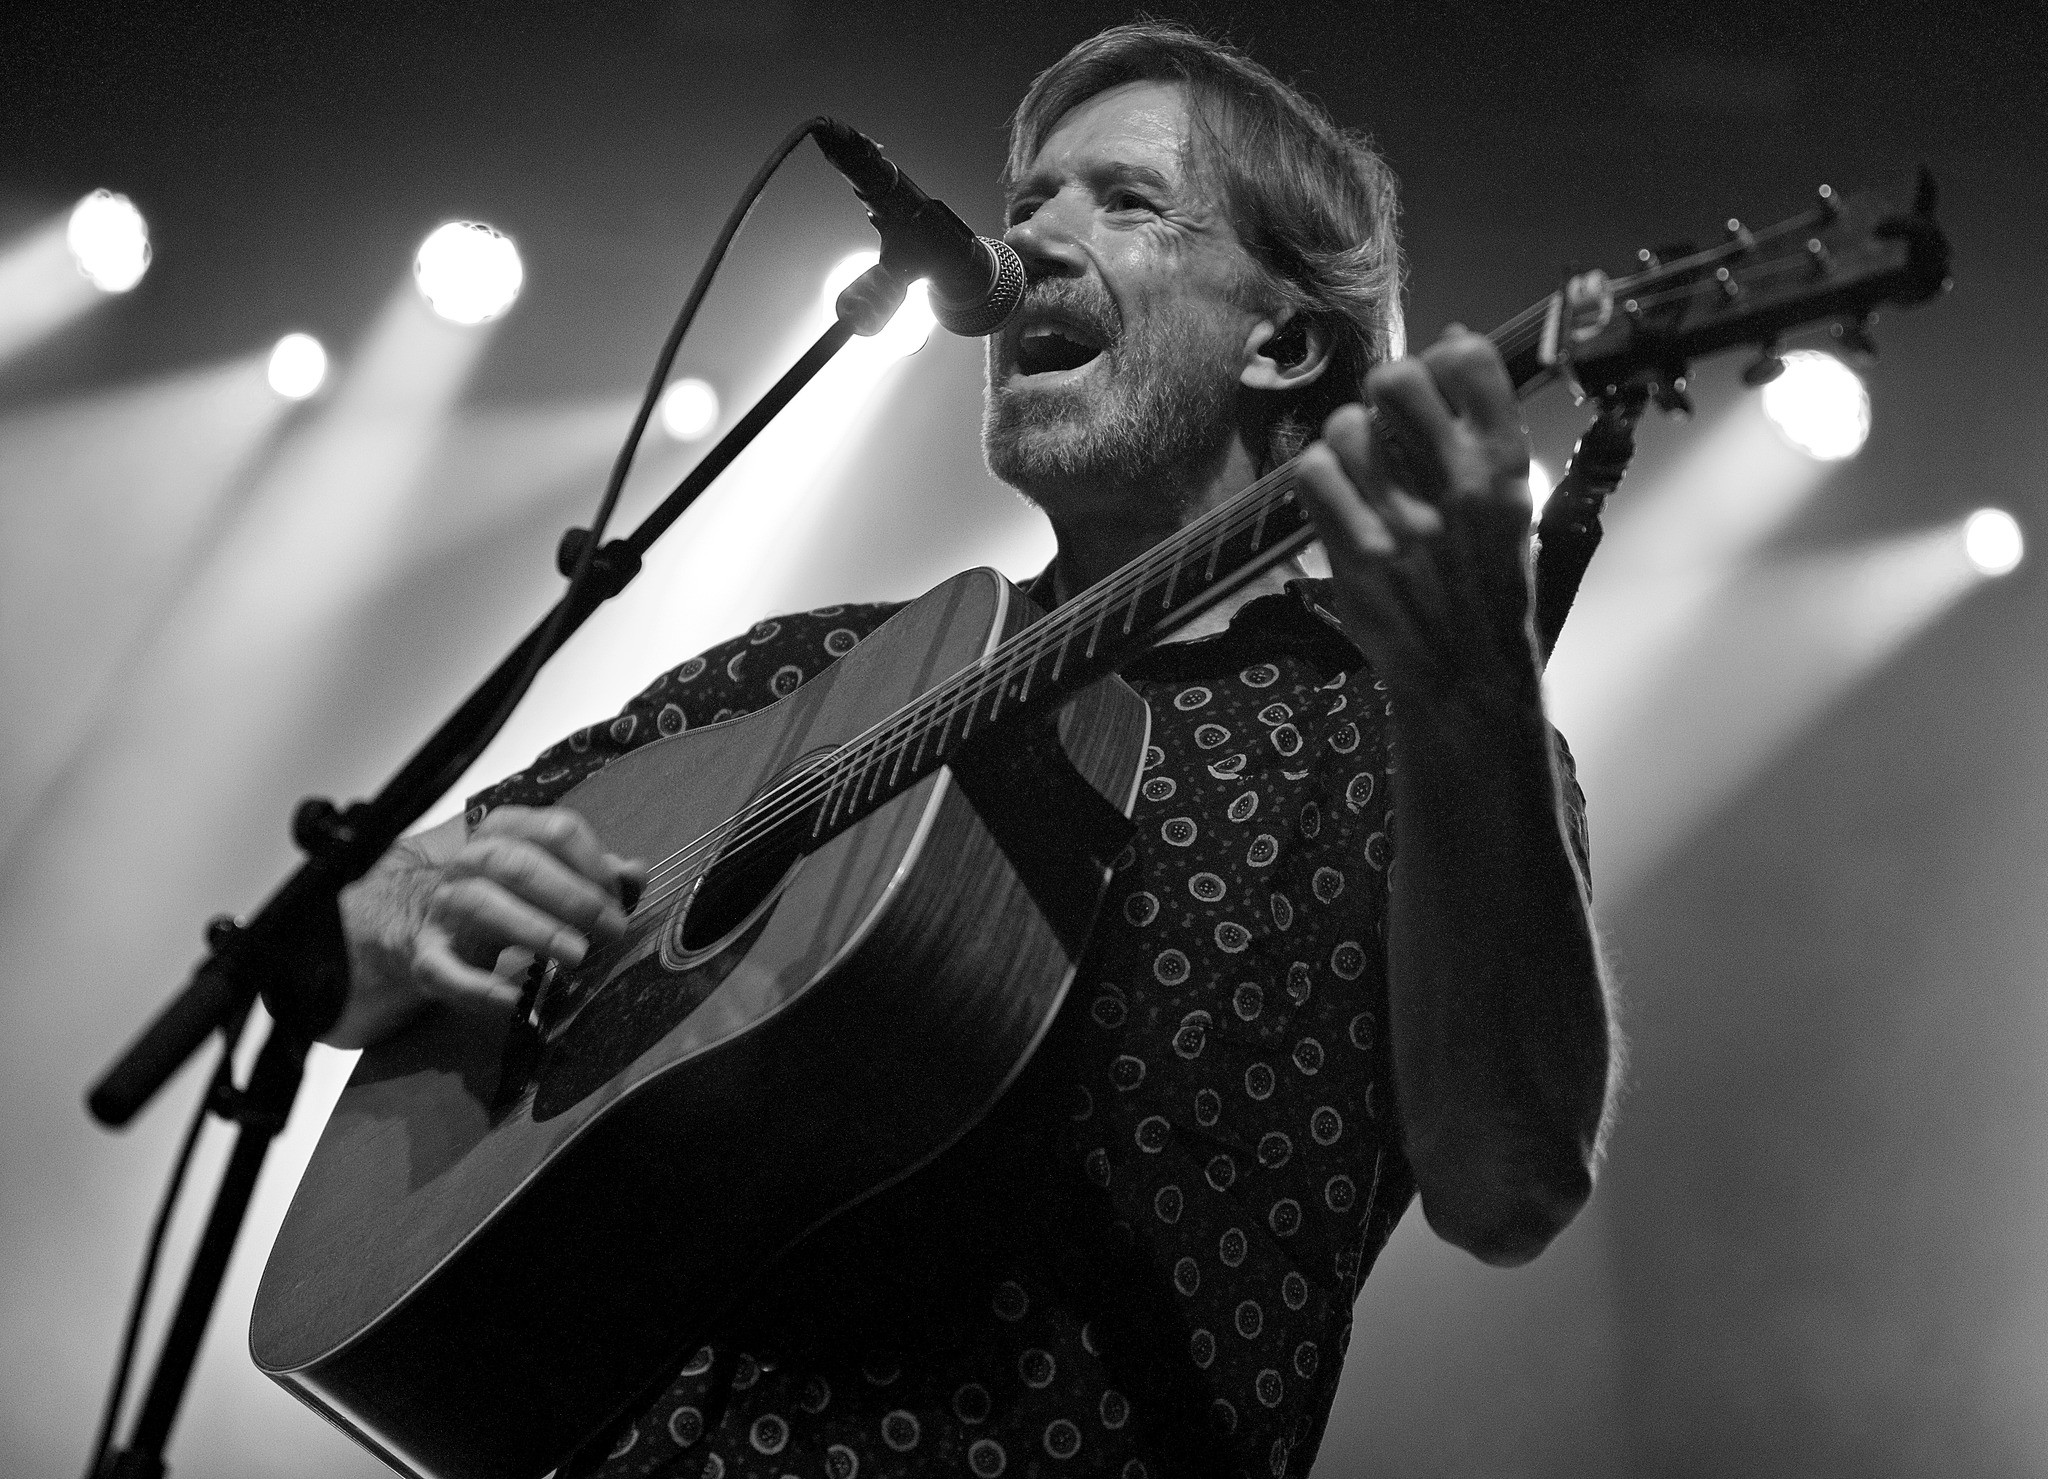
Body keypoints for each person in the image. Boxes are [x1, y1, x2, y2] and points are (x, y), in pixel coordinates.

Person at [332, 22, 1614, 1479]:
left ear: (1285, 342)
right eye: (1028, 203)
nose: (1034, 242)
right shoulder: (807, 670)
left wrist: (1474, 691)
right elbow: (361, 924)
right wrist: (400, 911)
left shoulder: (1405, 727)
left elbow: (1509, 1186)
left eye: (1127, 203)